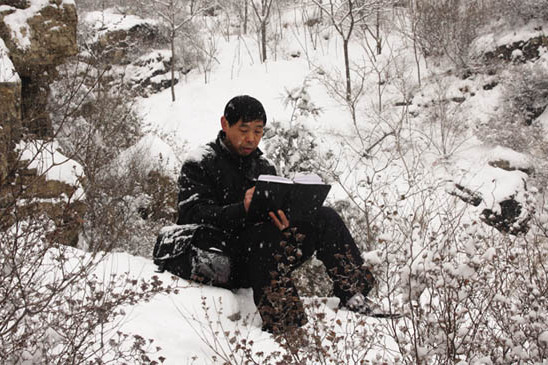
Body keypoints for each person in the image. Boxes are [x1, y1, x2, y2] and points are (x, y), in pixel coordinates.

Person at [164, 95, 376, 333]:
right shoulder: (201, 162)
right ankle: (287, 326)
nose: (251, 138)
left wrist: (287, 220)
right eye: (244, 130)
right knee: (263, 238)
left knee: (325, 217)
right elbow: (191, 215)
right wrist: (240, 209)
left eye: (258, 131)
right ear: (225, 124)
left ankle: (354, 294)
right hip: (221, 255)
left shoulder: (264, 167)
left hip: (263, 256)